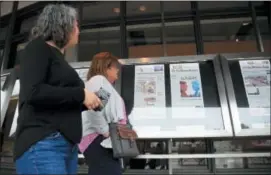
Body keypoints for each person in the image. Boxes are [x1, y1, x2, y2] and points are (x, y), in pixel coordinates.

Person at [14, 4, 102, 174]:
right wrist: (80, 94)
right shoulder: (37, 48)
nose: (78, 30)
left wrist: (88, 100)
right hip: (43, 143)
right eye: (76, 25)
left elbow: (59, 100)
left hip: (64, 147)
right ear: (63, 24)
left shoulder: (58, 58)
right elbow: (33, 92)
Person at [78, 52, 131, 175]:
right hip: (99, 141)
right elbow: (93, 108)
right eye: (115, 66)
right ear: (106, 67)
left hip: (100, 141)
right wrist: (105, 130)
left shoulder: (102, 84)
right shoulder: (100, 81)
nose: (118, 69)